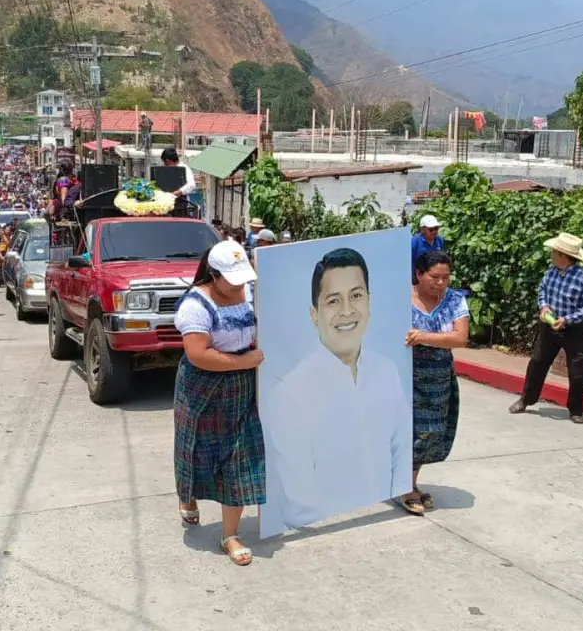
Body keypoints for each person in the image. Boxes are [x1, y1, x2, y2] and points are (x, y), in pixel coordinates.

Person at [265, 248, 410, 531]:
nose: (347, 311)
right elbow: (300, 502)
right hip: (327, 533)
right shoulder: (289, 395)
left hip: (384, 521)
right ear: (314, 314)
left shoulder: (388, 371)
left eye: (356, 296)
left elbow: (401, 450)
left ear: (370, 302)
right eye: (333, 300)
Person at [173, 240, 265, 567]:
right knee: (195, 450)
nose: (239, 285)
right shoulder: (195, 305)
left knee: (239, 459)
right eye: (232, 278)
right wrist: (245, 361)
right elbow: (198, 354)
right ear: (213, 275)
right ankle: (188, 497)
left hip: (240, 388)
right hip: (203, 386)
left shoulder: (249, 293)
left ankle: (230, 534)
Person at [402, 250, 470, 515]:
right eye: (434, 277)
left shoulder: (454, 300)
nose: (441, 283)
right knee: (407, 430)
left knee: (430, 431)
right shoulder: (400, 298)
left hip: (439, 374)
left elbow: (459, 338)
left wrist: (423, 337)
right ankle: (407, 486)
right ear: (418, 274)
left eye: (446, 277)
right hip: (405, 372)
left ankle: (409, 482)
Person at [509, 233, 583, 424]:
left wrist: (567, 319)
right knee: (537, 363)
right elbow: (542, 291)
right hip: (549, 327)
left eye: (554, 252)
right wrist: (544, 306)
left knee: (577, 370)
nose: (551, 254)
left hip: (574, 329)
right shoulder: (551, 272)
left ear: (563, 255)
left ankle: (576, 410)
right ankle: (526, 399)